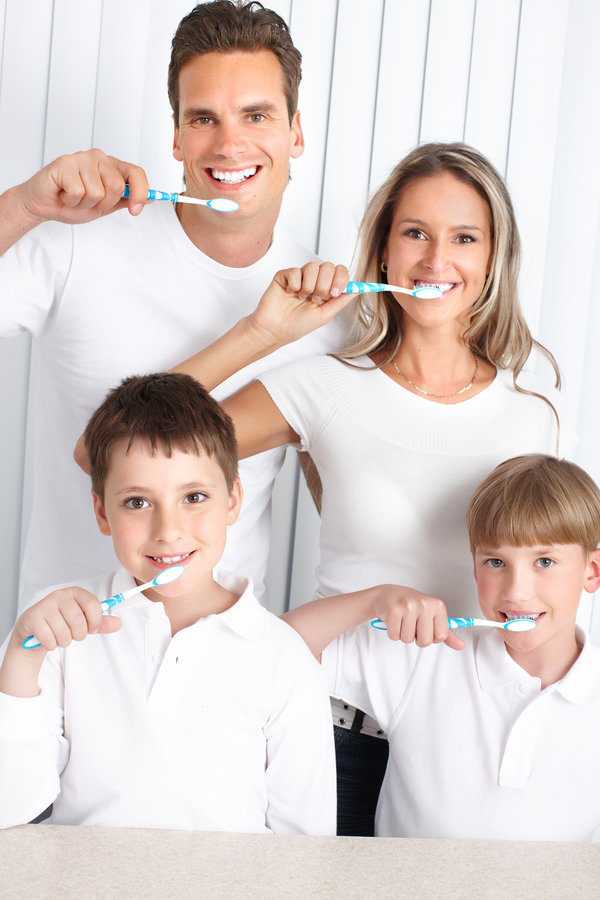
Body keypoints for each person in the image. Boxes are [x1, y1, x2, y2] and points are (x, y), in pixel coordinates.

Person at [163, 141, 572, 834]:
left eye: (464, 238)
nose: (437, 259)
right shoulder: (324, 387)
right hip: (334, 735)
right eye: (415, 233)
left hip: (471, 738)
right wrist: (261, 331)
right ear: (383, 252)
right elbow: (139, 446)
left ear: (492, 259)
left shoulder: (538, 411)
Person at [0, 1, 348, 610]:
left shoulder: (329, 312)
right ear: (177, 136)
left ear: (295, 132)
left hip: (225, 655)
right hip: (66, 645)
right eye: (204, 118)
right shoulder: (80, 240)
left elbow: (350, 512)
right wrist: (24, 207)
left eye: (256, 115)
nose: (230, 144)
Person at [0, 373, 336, 833]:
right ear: (102, 512)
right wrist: (23, 657)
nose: (168, 531)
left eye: (193, 497)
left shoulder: (284, 657)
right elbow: (9, 807)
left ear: (233, 500)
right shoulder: (55, 628)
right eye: (137, 503)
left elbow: (305, 844)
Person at [281, 454, 600, 841]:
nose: (517, 591)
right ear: (475, 567)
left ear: (592, 572)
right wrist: (373, 600)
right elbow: (276, 649)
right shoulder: (426, 658)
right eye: (496, 562)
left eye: (545, 561)